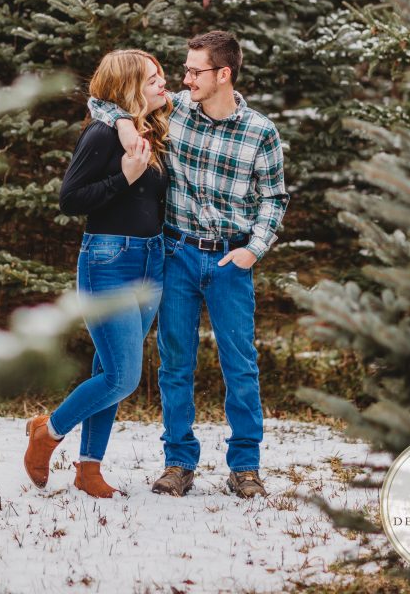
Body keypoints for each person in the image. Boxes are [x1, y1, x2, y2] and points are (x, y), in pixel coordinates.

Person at [88, 30, 289, 499]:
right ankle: (178, 461)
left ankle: (245, 466)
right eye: (185, 70)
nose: (185, 78)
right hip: (175, 254)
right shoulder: (175, 109)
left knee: (240, 365)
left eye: (195, 71)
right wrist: (121, 125)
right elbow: (103, 101)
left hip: (229, 260)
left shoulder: (260, 131)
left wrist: (252, 250)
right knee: (175, 363)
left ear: (224, 74)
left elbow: (274, 199)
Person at [23, 49, 170, 498]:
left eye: (163, 75)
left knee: (108, 369)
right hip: (108, 261)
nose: (164, 84)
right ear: (129, 88)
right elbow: (70, 200)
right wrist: (123, 178)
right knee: (122, 377)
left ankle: (89, 469)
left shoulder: (149, 128)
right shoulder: (103, 137)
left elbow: (102, 100)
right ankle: (48, 432)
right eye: (153, 79)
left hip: (151, 262)